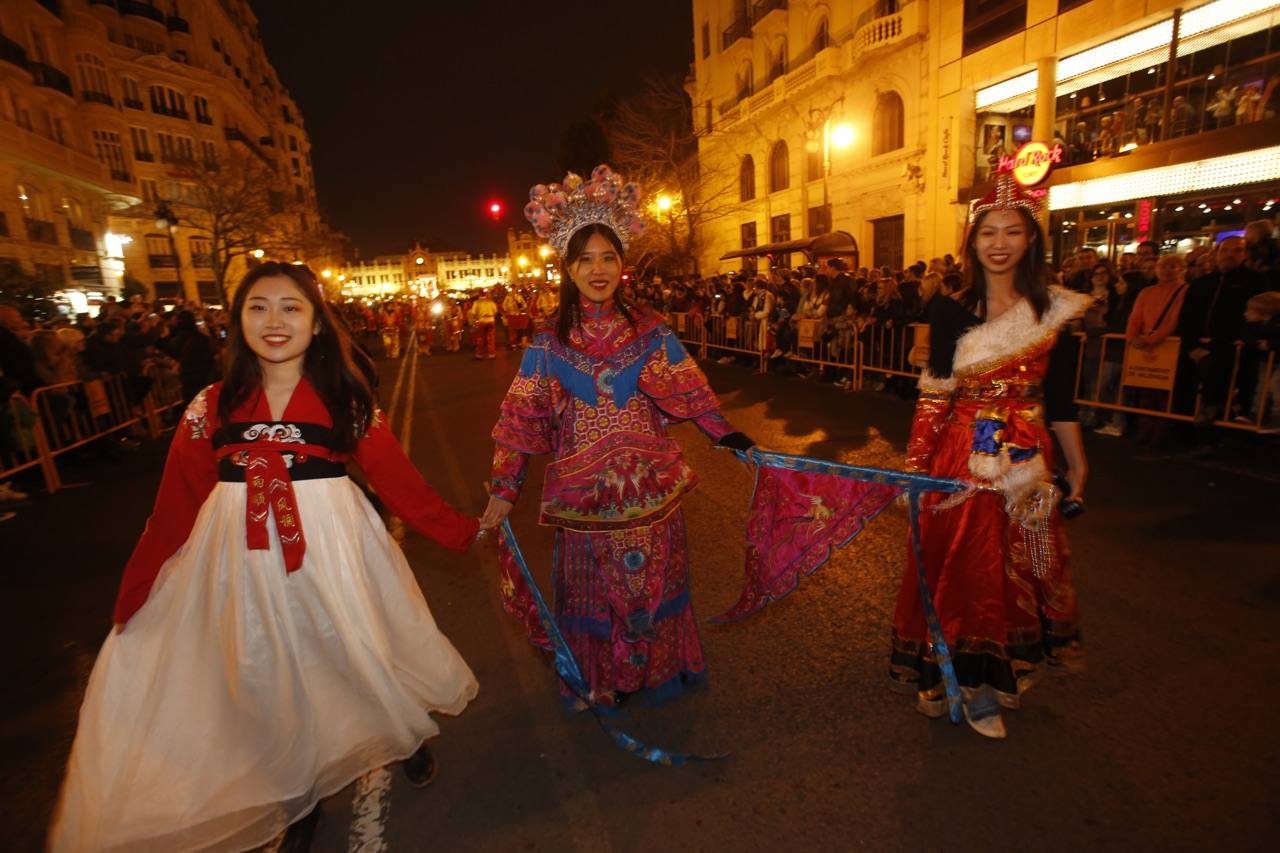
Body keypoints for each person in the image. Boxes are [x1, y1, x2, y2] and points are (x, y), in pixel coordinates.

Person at [50, 262, 482, 853]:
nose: (274, 320)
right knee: (267, 672)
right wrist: (138, 588)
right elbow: (175, 504)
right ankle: (296, 791)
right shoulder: (209, 404)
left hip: (334, 550)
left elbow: (398, 481)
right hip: (240, 560)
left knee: (354, 649)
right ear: (237, 321)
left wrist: (463, 529)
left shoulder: (346, 398)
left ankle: (400, 733)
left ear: (316, 323)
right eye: (258, 306)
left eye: (291, 307)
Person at [482, 165, 753, 708]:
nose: (598, 268)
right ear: (567, 267)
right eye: (585, 258)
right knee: (592, 592)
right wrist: (502, 490)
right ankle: (599, 680)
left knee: (655, 585)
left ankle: (656, 671)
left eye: (608, 256)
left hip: (650, 493)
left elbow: (688, 388)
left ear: (623, 264)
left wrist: (727, 436)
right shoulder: (547, 343)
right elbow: (520, 420)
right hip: (586, 500)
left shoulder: (650, 330)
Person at [890, 175, 1091, 739]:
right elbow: (934, 397)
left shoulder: (1055, 312)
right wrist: (915, 468)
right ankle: (972, 687)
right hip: (964, 453)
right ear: (971, 241)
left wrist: (1077, 465)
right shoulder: (951, 309)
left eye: (1012, 231)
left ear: (1031, 240)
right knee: (969, 568)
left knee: (1025, 561)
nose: (998, 242)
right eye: (987, 232)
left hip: (1031, 453)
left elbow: (1061, 398)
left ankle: (1002, 671)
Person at [469, 289, 499, 359]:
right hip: (491, 320)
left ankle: (479, 354)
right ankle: (492, 354)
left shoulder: (477, 302)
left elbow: (473, 313)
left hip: (481, 321)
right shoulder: (491, 302)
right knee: (491, 337)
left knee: (480, 338)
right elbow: (495, 311)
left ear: (479, 294)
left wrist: (475, 319)